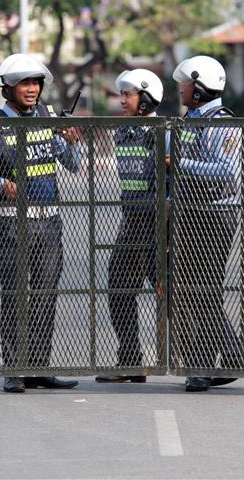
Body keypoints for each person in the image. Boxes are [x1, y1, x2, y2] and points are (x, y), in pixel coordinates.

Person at [0, 53, 83, 393]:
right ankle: (15, 369)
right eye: (24, 83)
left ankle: (39, 368)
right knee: (15, 296)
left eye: (35, 83)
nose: (31, 89)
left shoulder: (47, 116)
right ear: (7, 88)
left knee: (46, 295)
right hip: (11, 223)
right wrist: (1, 186)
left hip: (50, 221)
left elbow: (72, 164)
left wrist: (73, 143)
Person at [172, 55, 244, 392]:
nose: (181, 90)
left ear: (199, 87)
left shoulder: (221, 122)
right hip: (193, 211)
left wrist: (180, 162)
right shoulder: (191, 119)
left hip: (216, 214)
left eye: (186, 85)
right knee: (195, 288)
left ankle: (204, 367)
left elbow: (229, 169)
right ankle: (233, 357)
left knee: (205, 287)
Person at [95, 69, 167, 384]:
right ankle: (130, 361)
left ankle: (206, 358)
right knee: (119, 289)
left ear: (146, 97)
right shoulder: (123, 131)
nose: (121, 100)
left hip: (157, 221)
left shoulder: (162, 132)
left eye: (128, 94)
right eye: (121, 94)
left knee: (173, 294)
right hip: (132, 221)